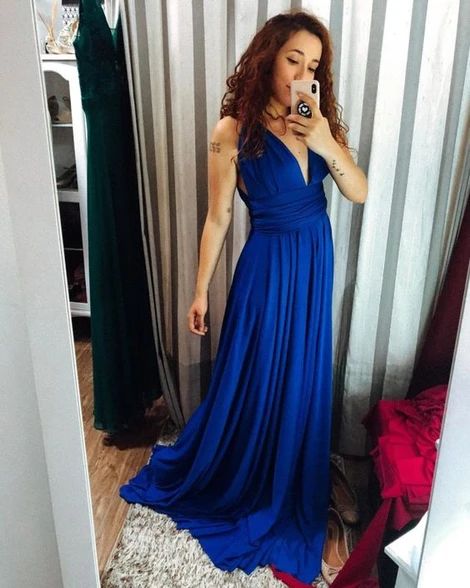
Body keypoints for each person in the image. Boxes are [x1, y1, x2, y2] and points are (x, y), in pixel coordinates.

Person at [120, 9, 367, 585]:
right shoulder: (232, 130)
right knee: (258, 372)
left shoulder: (317, 121)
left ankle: (299, 471)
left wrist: (325, 140)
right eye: (292, 59)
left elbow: (358, 191)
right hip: (267, 267)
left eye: (313, 66)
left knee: (301, 370)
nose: (302, 74)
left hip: (314, 263)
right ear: (267, 58)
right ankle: (249, 475)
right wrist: (199, 291)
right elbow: (218, 217)